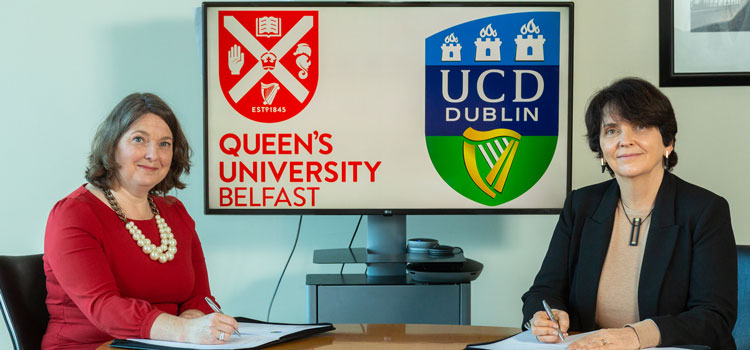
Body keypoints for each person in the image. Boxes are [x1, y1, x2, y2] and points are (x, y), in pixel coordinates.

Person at [521, 77, 737, 350]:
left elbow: (714, 318)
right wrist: (542, 316)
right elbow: (543, 291)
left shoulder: (706, 210)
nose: (625, 140)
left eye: (640, 126)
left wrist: (635, 336)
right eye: (612, 130)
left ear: (667, 142)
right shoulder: (581, 205)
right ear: (600, 148)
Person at [42, 93, 239, 349]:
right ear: (112, 145)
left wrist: (194, 323)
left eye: (165, 144)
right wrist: (183, 331)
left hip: (166, 345)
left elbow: (199, 296)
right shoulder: (74, 214)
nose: (152, 154)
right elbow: (104, 308)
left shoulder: (175, 212)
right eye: (139, 139)